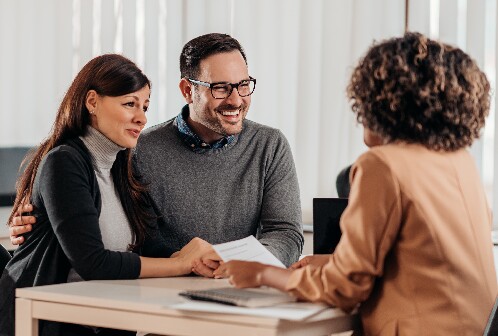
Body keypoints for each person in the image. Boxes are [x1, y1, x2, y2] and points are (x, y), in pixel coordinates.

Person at [214, 32, 498, 335]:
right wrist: (332, 261)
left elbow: (343, 290)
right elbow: (425, 262)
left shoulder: (382, 165)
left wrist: (263, 275)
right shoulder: (458, 160)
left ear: (383, 103)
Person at [9, 33, 304, 274]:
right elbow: (139, 239)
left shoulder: (270, 145)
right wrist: (40, 223)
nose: (236, 99)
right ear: (188, 91)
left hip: (241, 285)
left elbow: (285, 233)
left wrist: (245, 265)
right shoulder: (137, 150)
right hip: (162, 296)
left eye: (243, 85)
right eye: (221, 88)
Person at [0, 54, 214, 336]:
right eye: (129, 104)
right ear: (92, 102)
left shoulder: (122, 166)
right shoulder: (64, 162)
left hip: (105, 321)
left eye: (145, 106)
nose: (142, 117)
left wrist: (197, 261)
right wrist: (180, 263)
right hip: (50, 323)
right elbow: (93, 263)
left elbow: (150, 245)